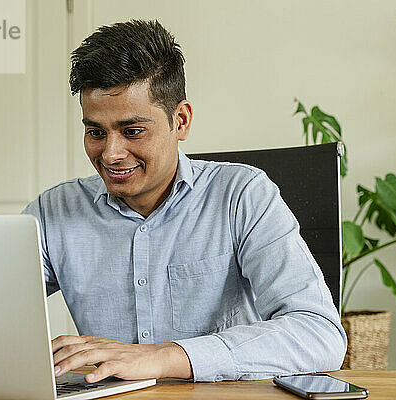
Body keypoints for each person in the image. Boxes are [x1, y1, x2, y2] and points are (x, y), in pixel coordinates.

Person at [22, 19, 346, 383]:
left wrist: (166, 357)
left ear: (181, 120)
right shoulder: (52, 213)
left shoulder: (242, 195)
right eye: (96, 132)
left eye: (132, 131)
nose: (111, 154)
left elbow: (319, 334)